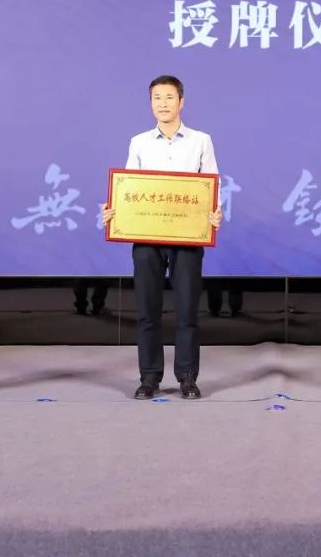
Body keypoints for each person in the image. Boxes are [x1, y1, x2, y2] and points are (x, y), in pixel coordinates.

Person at [102, 75, 222, 400]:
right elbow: (128, 187)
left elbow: (212, 185)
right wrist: (114, 211)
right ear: (150, 103)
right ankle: (149, 377)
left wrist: (215, 212)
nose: (163, 104)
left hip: (188, 237)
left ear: (181, 102)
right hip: (147, 238)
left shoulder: (201, 141)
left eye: (169, 97)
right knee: (147, 311)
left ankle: (187, 378)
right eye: (157, 98)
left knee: (187, 311)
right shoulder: (139, 142)